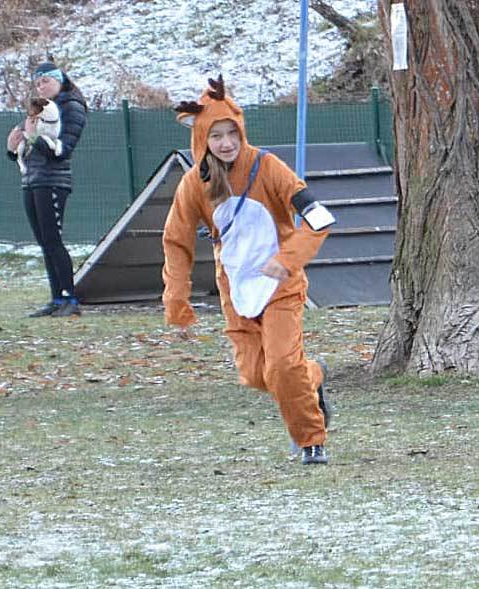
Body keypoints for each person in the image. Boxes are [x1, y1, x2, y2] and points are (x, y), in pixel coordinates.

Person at [162, 75, 336, 465]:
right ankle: (313, 377)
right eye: (216, 136)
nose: (226, 143)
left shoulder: (266, 166)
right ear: (202, 138)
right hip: (236, 291)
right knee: (257, 375)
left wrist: (287, 260)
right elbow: (176, 241)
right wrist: (176, 301)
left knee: (282, 366)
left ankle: (311, 440)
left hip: (281, 287)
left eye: (232, 134)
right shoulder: (193, 184)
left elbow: (319, 218)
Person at [6, 61, 88, 318]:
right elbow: (29, 146)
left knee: (53, 240)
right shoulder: (40, 109)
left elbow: (62, 150)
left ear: (59, 80)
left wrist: (32, 137)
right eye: (37, 83)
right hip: (32, 179)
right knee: (44, 242)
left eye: (46, 81)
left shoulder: (71, 107)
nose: (41, 87)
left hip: (53, 180)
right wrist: (12, 149)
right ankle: (56, 299)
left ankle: (70, 299)